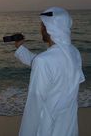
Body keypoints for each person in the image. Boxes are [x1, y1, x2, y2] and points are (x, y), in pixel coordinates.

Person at [14, 7, 85, 136]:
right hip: (69, 126)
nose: (41, 29)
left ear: (51, 28)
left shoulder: (44, 61)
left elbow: (34, 104)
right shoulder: (74, 53)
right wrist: (20, 49)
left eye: (43, 25)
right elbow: (49, 64)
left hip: (49, 127)